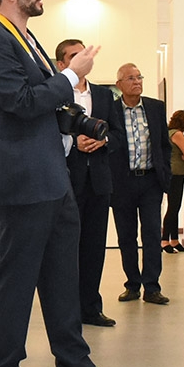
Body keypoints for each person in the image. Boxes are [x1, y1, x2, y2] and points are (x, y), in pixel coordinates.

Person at [0, 0, 128, 367]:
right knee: (16, 278)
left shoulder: (25, 36)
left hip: (51, 176)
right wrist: (71, 75)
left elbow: (44, 104)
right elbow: (21, 103)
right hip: (22, 179)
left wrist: (72, 106)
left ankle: (75, 365)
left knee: (63, 273)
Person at [54, 38, 117, 327]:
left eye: (84, 54)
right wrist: (72, 141)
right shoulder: (55, 94)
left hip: (98, 182)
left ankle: (91, 308)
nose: (82, 59)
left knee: (95, 247)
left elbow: (119, 136)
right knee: (67, 248)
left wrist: (102, 140)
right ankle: (68, 313)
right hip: (67, 181)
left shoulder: (104, 96)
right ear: (61, 64)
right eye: (74, 55)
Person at [108, 63, 172, 305]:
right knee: (126, 237)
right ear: (119, 85)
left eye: (139, 77)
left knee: (152, 234)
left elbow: (164, 145)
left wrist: (164, 174)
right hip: (122, 182)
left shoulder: (155, 108)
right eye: (131, 78)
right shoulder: (111, 111)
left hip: (150, 182)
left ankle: (152, 287)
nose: (137, 81)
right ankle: (132, 285)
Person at [162, 110, 184, 253]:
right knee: (174, 207)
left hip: (172, 173)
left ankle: (174, 240)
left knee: (174, 206)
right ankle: (164, 240)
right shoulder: (178, 134)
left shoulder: (168, 133)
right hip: (177, 173)